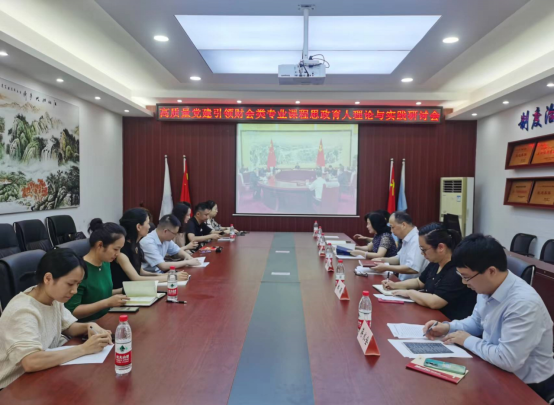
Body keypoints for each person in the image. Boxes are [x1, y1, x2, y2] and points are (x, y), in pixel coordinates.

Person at [423, 234, 554, 403]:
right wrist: (448, 327)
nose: (464, 283)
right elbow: (477, 322)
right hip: (495, 369)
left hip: (527, 386)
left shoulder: (523, 304)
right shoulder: (488, 286)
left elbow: (507, 360)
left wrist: (467, 340)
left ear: (491, 271)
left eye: (467, 277)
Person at [0, 249, 112, 390]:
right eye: (70, 284)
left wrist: (89, 326)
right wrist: (84, 348)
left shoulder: (52, 297)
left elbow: (68, 326)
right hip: (14, 387)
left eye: (78, 284)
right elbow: (31, 361)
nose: (74, 291)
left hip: (42, 375)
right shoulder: (22, 311)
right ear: (48, 279)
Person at [382, 223, 477, 320]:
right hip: (430, 316)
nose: (421, 253)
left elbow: (435, 302)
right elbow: (419, 282)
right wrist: (395, 285)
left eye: (424, 249)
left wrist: (410, 293)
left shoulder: (456, 270)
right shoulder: (436, 263)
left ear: (441, 247)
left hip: (448, 321)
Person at [65, 219, 130, 322]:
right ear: (100, 245)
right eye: (115, 249)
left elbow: (98, 293)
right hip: (87, 326)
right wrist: (107, 303)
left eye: (120, 249)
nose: (118, 254)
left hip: (108, 318)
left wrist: (123, 290)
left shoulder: (106, 263)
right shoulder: (79, 270)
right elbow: (72, 311)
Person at [111, 208, 190, 290]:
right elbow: (137, 278)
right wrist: (171, 277)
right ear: (138, 227)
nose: (149, 226)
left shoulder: (136, 245)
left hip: (136, 289)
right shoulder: (121, 251)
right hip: (124, 293)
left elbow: (141, 272)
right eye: (148, 223)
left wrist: (164, 275)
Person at [372, 211, 428, 280]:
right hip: (402, 281)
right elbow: (398, 258)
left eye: (392, 227)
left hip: (412, 285)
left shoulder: (416, 240)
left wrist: (386, 267)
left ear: (403, 225)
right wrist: (382, 260)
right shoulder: (407, 239)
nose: (391, 231)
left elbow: (412, 268)